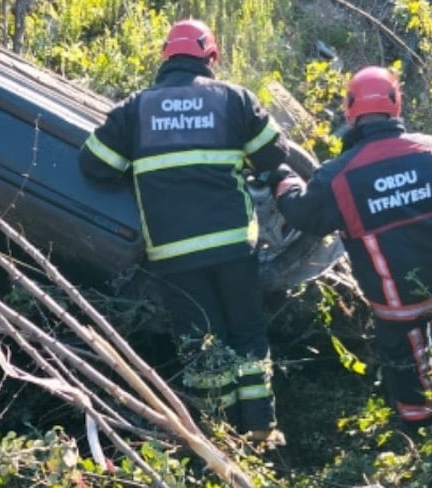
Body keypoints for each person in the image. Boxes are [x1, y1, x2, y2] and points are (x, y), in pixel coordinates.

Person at [78, 18, 292, 447]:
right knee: (246, 331)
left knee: (202, 342)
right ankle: (261, 428)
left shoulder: (136, 109)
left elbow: (94, 166)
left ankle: (218, 438)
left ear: (165, 57)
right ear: (211, 57)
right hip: (234, 244)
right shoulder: (234, 100)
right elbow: (276, 153)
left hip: (174, 253)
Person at [270, 66, 432, 432]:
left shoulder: (339, 175)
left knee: (404, 355)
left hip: (398, 299)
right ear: (396, 105)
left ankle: (418, 428)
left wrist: (281, 178)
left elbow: (303, 215)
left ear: (350, 109)